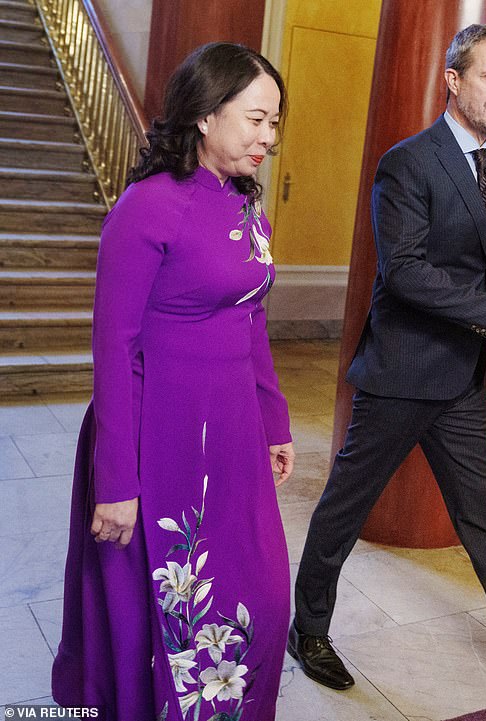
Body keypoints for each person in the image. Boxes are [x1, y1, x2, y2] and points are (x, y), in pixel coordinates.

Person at [288, 24, 486, 694]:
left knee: (483, 516)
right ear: (454, 80)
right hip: (403, 372)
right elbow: (404, 271)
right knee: (346, 508)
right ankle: (308, 627)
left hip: (461, 376)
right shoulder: (408, 162)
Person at [52, 42, 295, 721]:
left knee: (264, 595)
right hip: (155, 443)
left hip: (233, 440)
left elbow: (252, 324)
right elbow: (114, 349)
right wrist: (117, 483)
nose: (267, 138)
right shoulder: (147, 207)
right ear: (205, 114)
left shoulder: (245, 206)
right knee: (153, 611)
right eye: (255, 119)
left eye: (274, 123)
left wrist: (273, 422)